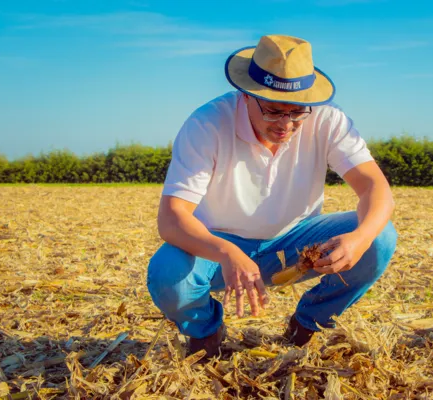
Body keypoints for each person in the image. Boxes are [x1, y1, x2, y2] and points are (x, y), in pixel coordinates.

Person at [146, 34, 398, 360]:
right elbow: (171, 219)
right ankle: (205, 333)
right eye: (274, 111)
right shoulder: (206, 124)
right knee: (168, 273)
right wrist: (225, 251)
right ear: (247, 95)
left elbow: (375, 188)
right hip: (217, 246)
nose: (286, 125)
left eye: (297, 112)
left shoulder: (328, 118)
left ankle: (307, 325)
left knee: (380, 237)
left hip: (297, 243)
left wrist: (360, 239)